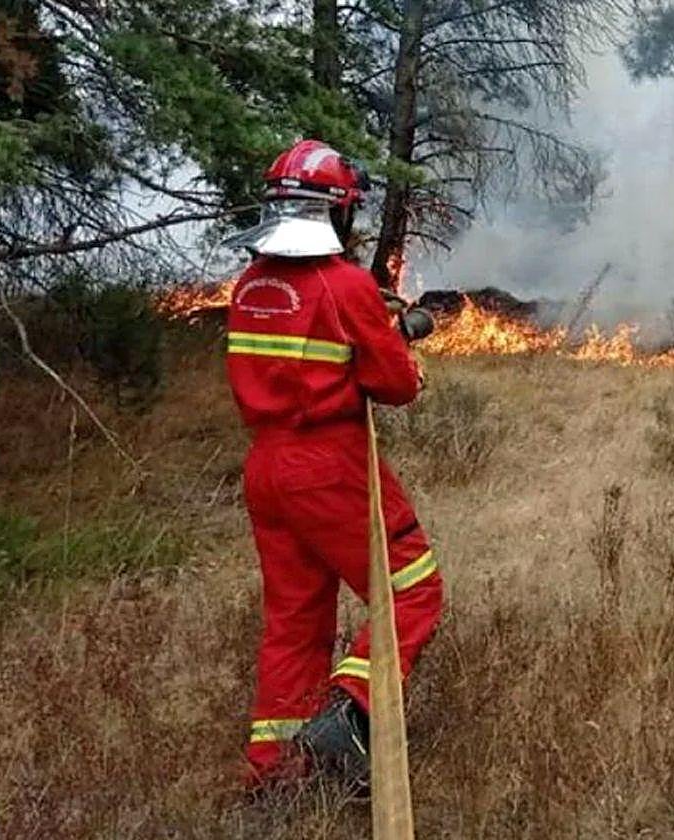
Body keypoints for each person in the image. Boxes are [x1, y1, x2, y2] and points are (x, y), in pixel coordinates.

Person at [222, 139, 442, 790]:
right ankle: (348, 716)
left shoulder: (250, 284)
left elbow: (309, 357)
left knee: (295, 620)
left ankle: (274, 772)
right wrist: (405, 355)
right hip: (327, 464)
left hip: (266, 467)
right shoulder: (344, 285)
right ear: (336, 211)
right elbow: (393, 385)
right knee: (412, 589)